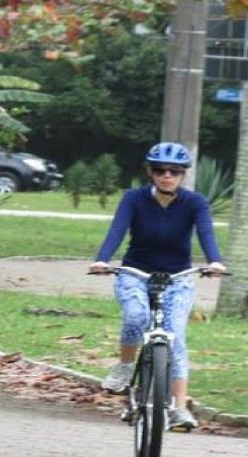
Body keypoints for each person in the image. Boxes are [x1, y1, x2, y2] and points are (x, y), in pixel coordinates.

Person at [89, 142, 226, 430]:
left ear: (183, 175)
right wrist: (102, 260)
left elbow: (205, 232)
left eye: (174, 171)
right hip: (135, 272)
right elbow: (118, 229)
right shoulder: (134, 199)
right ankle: (126, 366)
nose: (167, 176)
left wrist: (214, 262)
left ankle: (178, 407)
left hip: (178, 277)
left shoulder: (195, 202)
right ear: (150, 172)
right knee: (137, 316)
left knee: (175, 336)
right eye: (160, 170)